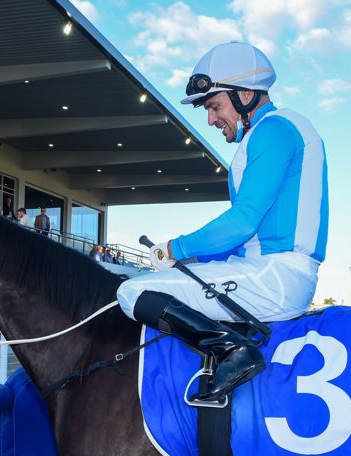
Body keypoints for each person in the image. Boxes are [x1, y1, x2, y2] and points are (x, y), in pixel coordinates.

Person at [116, 41, 329, 404]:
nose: (211, 119)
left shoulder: (272, 130)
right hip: (270, 270)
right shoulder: (274, 130)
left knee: (132, 292)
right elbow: (247, 235)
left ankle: (234, 352)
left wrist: (175, 248)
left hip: (275, 276)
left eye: (214, 106)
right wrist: (193, 258)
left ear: (245, 95)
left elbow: (243, 222)